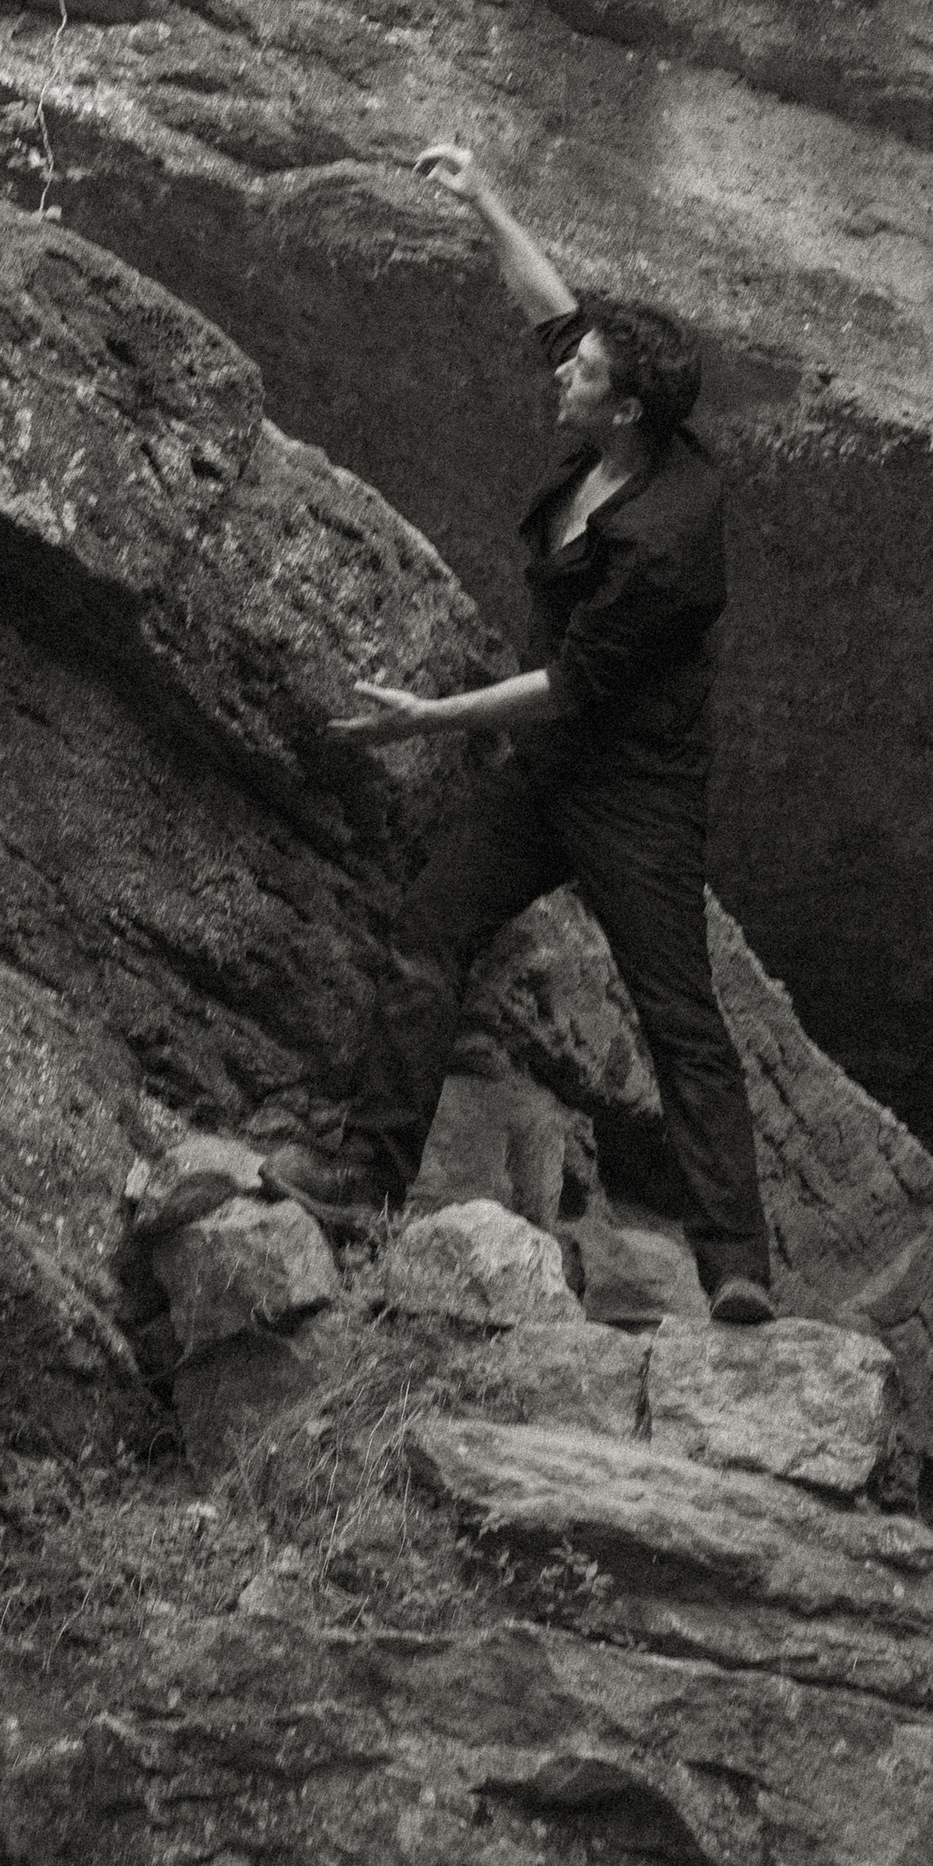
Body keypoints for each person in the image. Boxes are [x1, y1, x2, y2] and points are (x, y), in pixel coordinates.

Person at [270, 143, 778, 1327]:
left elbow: (568, 683)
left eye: (584, 375)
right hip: (548, 771)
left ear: (628, 407)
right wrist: (482, 198)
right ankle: (363, 1182)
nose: (562, 377)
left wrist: (433, 719)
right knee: (430, 928)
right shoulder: (621, 430)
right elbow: (558, 315)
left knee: (677, 1016)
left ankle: (735, 1265)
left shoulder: (669, 536)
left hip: (633, 791)